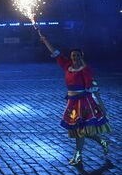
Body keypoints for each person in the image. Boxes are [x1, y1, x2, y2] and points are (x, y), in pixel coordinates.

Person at [40, 34, 110, 165]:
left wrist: (101, 105)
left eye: (77, 55)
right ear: (71, 57)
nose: (75, 57)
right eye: (73, 56)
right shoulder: (67, 65)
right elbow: (55, 53)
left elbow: (93, 88)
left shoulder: (85, 70)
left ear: (81, 56)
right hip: (72, 102)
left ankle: (77, 155)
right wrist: (45, 41)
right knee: (83, 131)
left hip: (84, 103)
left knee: (80, 131)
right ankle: (102, 142)